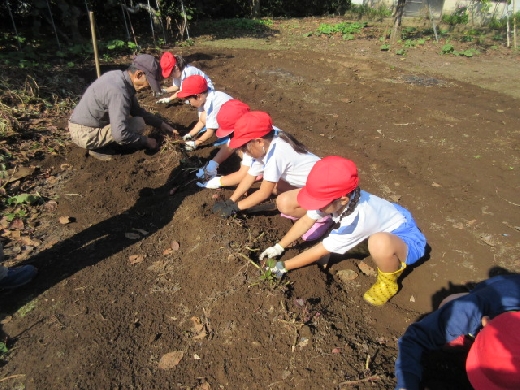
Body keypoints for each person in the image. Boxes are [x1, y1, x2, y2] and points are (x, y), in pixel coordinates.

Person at [260, 156, 427, 307]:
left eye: (318, 203)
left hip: (404, 237)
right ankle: (362, 243)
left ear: (343, 200)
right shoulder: (334, 199)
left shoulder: (358, 219)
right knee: (366, 240)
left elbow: (319, 251)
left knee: (379, 243)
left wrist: (283, 265)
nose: (314, 206)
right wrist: (279, 246)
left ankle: (388, 281)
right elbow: (306, 220)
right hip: (381, 220)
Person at [211, 111, 330, 241]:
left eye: (244, 146)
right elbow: (250, 176)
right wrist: (231, 200)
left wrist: (236, 208)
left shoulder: (276, 155)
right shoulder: (266, 146)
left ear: (259, 141)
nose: (243, 151)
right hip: (312, 183)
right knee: (273, 186)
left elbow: (263, 193)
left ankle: (323, 215)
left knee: (283, 204)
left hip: (326, 190)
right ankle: (306, 206)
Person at [395, 274, 520, 390]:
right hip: (492, 293)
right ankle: (464, 336)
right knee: (449, 303)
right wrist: (406, 383)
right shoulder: (471, 310)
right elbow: (415, 338)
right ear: (486, 322)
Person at [68, 54, 176, 161]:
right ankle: (97, 148)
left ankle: (107, 143)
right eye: (149, 83)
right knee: (136, 125)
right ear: (138, 75)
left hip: (88, 124)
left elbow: (137, 111)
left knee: (136, 122)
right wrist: (146, 141)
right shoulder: (119, 92)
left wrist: (161, 124)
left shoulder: (119, 77)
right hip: (85, 132)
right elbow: (119, 134)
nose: (148, 88)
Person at [195, 99, 251, 187]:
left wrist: (218, 182)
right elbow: (229, 146)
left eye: (231, 132)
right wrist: (213, 164)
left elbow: (242, 174)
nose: (231, 136)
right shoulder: (246, 130)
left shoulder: (253, 144)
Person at [176, 75, 233, 151]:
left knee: (210, 124)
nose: (189, 103)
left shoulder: (212, 105)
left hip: (233, 123)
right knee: (204, 116)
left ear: (198, 96)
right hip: (225, 116)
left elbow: (209, 133)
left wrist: (195, 143)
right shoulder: (203, 99)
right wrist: (190, 134)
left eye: (189, 100)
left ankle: (228, 136)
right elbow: (201, 121)